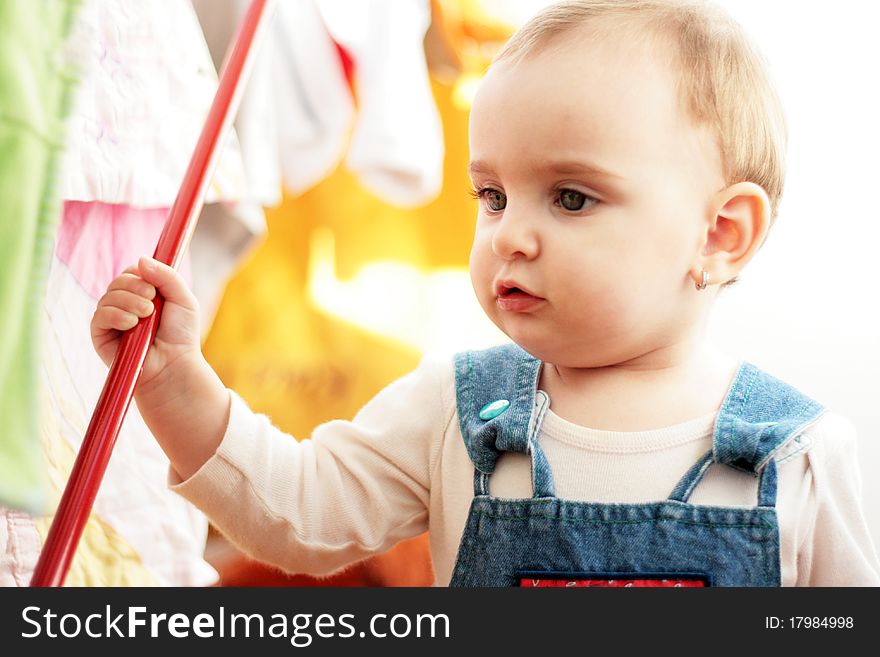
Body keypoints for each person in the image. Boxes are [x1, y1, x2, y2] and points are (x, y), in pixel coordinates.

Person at [91, 0, 879, 586]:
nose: (508, 235)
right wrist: (173, 384)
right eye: (493, 195)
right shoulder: (456, 410)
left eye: (571, 197)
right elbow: (299, 510)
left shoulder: (798, 454)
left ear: (720, 234)